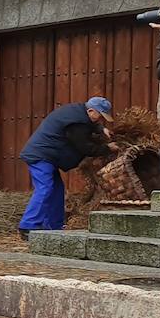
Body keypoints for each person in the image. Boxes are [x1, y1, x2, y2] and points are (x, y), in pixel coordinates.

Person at [17, 96, 117, 236]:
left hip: (49, 157)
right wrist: (107, 148)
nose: (100, 120)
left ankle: (54, 226)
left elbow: (90, 123)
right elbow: (85, 148)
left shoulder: (78, 112)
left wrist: (101, 129)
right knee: (45, 188)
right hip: (41, 156)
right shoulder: (77, 123)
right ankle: (27, 225)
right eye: (100, 116)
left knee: (57, 189)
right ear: (91, 110)